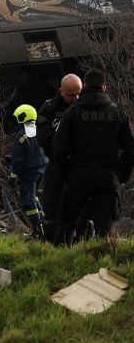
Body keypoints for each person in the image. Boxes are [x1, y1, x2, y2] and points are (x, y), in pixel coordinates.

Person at [51, 70, 134, 244]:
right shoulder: (117, 112)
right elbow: (130, 148)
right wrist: (120, 175)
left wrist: (66, 175)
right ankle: (102, 267)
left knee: (66, 227)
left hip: (77, 179)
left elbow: (59, 151)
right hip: (107, 181)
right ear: (104, 87)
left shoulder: (72, 113)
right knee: (104, 232)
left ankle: (58, 265)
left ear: (85, 87)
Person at [36, 73, 82, 237]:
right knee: (53, 210)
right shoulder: (48, 109)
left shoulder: (82, 108)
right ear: (61, 91)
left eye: (78, 94)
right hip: (57, 166)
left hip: (78, 167)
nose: (75, 98)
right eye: (71, 95)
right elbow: (43, 138)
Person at [9, 103, 47, 237]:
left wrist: (13, 177)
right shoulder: (39, 130)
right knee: (34, 196)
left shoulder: (22, 134)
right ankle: (43, 223)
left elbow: (17, 159)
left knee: (27, 199)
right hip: (42, 170)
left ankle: (37, 230)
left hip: (29, 172)